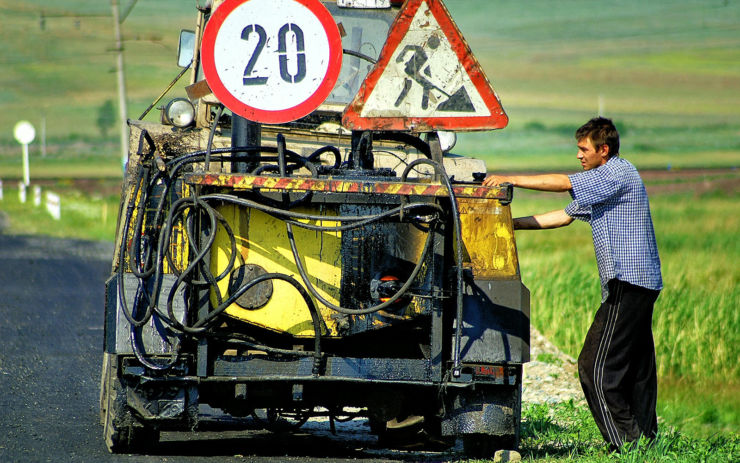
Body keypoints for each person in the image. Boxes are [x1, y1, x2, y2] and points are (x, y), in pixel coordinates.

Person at [483, 117, 663, 451]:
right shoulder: (605, 181)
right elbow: (564, 215)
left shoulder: (615, 173)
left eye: (584, 149)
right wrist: (510, 224)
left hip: (629, 283)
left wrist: (510, 178)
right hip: (639, 283)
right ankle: (647, 441)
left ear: (603, 150)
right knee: (635, 367)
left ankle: (626, 444)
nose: (579, 155)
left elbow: (563, 183)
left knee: (594, 367)